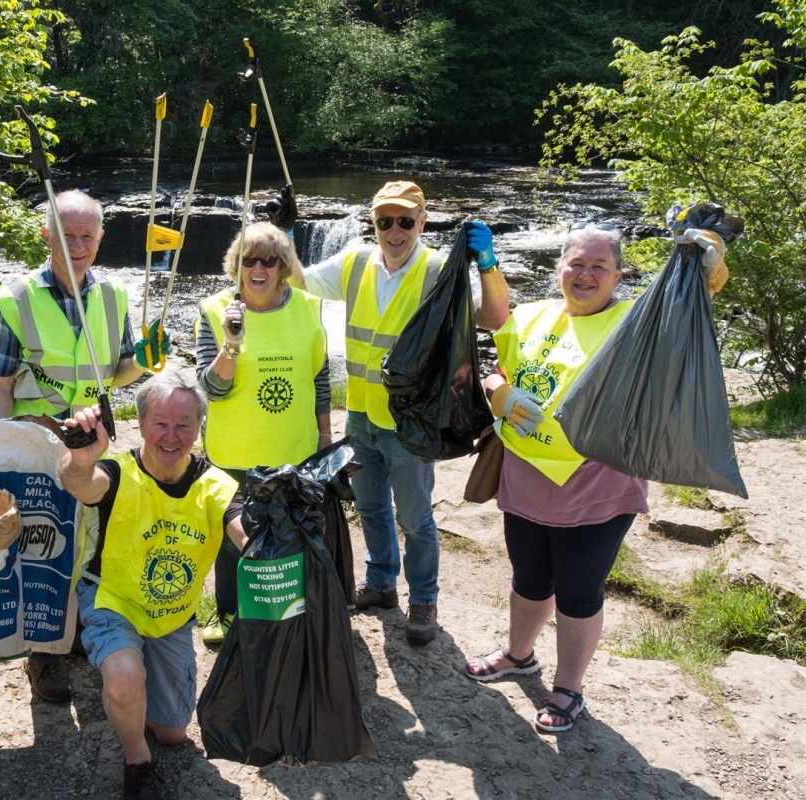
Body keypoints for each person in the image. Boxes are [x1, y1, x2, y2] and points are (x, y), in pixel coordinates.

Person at [462, 222, 729, 732]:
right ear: (560, 267)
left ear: (618, 275)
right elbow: (497, 366)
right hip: (525, 475)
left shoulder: (635, 325)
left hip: (596, 486)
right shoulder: (531, 315)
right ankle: (519, 656)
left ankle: (568, 690)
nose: (585, 274)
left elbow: (698, 298)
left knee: (579, 591)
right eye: (576, 264)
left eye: (598, 266)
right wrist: (496, 388)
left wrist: (708, 255)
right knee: (529, 577)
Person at [286, 180, 510, 644]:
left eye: (405, 220)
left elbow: (493, 318)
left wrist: (488, 264)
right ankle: (383, 583)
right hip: (363, 418)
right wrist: (284, 231)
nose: (394, 230)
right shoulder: (355, 262)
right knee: (369, 506)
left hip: (411, 423)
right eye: (384, 220)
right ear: (374, 224)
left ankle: (423, 599)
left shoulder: (436, 271)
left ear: (422, 223)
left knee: (415, 518)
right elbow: (297, 280)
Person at [0, 189, 168, 704]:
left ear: (101, 239)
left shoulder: (114, 296)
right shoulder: (16, 300)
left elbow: (119, 371)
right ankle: (45, 657)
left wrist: (148, 361)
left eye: (88, 235)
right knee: (44, 548)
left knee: (89, 543)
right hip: (36, 442)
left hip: (97, 438)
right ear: (47, 236)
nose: (78, 244)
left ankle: (75, 631)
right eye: (67, 235)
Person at [58, 371, 247, 800]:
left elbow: (243, 531)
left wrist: (278, 533)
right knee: (125, 678)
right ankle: (136, 760)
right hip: (114, 599)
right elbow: (82, 485)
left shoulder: (214, 484)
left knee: (175, 734)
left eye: (184, 424)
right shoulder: (118, 472)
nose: (170, 435)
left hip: (172, 614)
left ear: (198, 429)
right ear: (141, 425)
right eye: (159, 422)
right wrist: (81, 459)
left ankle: (130, 693)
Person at [193, 221, 328, 644]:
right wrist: (231, 344)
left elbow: (320, 378)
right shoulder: (215, 311)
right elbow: (210, 390)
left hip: (294, 448)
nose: (258, 268)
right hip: (234, 450)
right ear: (236, 266)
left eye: (268, 260)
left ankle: (289, 611)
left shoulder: (309, 306)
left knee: (293, 532)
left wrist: (325, 436)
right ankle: (229, 612)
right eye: (248, 259)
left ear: (283, 266)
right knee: (233, 539)